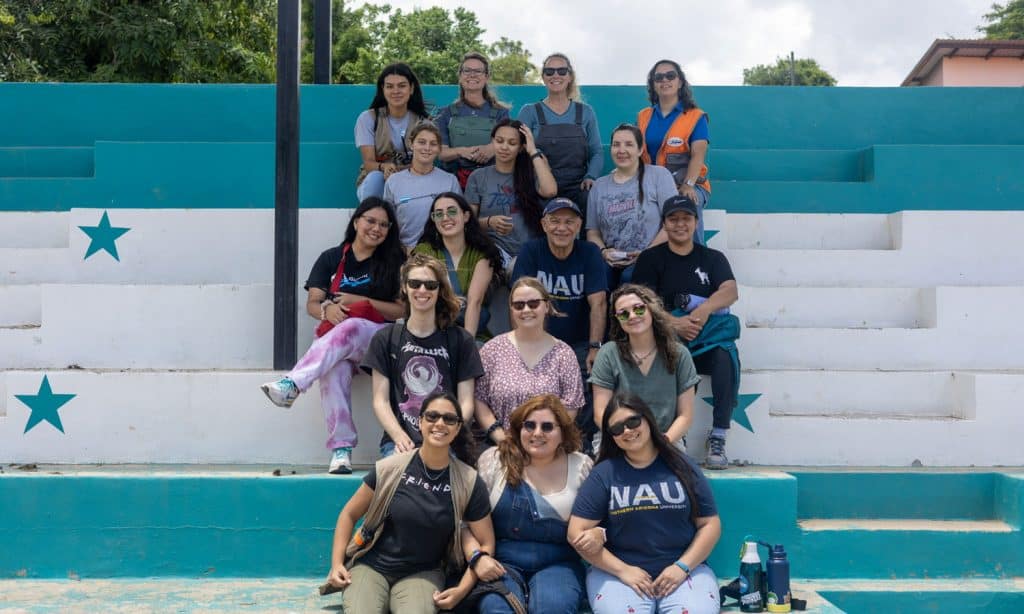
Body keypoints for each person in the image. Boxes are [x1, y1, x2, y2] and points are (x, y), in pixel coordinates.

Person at [260, 198, 405, 474]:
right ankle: (341, 449)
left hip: (380, 339)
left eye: (384, 225)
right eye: (370, 221)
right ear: (356, 222)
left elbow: (401, 309)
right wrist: (328, 311)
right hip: (342, 344)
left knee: (352, 326)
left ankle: (293, 384)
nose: (376, 228)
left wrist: (361, 301)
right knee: (333, 369)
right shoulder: (332, 257)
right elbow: (313, 304)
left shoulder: (394, 261)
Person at [326, 391, 494, 614]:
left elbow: (487, 544)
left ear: (457, 428)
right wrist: (337, 564)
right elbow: (349, 514)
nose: (440, 423)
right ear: (420, 421)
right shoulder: (390, 468)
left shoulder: (469, 481)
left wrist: (461, 591)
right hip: (371, 567)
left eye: (449, 419)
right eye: (432, 416)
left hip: (423, 573)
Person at [568, 393, 722, 614]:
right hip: (620, 574)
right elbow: (575, 533)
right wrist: (623, 571)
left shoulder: (682, 465)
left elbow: (710, 524)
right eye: (617, 429)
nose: (627, 431)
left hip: (684, 570)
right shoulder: (605, 473)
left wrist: (682, 567)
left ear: (648, 419)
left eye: (633, 421)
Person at [633, 194, 741, 470]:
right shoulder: (651, 258)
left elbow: (730, 291)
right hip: (667, 339)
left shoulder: (712, 257)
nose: (680, 224)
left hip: (705, 339)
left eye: (686, 218)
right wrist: (673, 323)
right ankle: (672, 437)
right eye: (673, 219)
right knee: (671, 356)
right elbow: (639, 302)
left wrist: (703, 311)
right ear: (664, 223)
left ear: (695, 222)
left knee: (725, 356)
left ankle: (718, 435)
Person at [462, 395, 595, 613]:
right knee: (496, 609)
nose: (537, 433)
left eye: (548, 427)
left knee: (553, 608)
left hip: (559, 564)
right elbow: (465, 523)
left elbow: (599, 521)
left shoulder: (581, 465)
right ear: (518, 429)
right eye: (530, 425)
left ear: (563, 432)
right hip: (501, 563)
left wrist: (597, 534)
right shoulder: (494, 460)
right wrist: (477, 558)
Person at [362, 253, 485, 458]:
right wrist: (398, 436)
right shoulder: (385, 338)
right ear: (404, 287)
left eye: (430, 285)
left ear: (440, 290)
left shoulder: (461, 340)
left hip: (448, 442)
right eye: (415, 283)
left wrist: (446, 435)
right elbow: (380, 401)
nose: (422, 290)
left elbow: (466, 403)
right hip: (400, 443)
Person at [511, 197, 607, 448]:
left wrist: (595, 345)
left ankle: (580, 443)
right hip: (541, 340)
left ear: (578, 226)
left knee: (590, 378)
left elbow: (598, 302)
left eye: (569, 222)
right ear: (543, 224)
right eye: (555, 221)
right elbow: (521, 300)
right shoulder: (532, 251)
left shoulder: (589, 252)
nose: (561, 228)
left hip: (579, 341)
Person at [590, 283, 700, 454]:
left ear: (651, 310)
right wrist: (628, 439)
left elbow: (685, 416)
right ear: (617, 320)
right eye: (623, 313)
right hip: (618, 436)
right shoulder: (608, 353)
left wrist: (662, 442)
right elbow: (600, 413)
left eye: (639, 309)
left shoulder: (680, 354)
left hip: (666, 439)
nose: (632, 316)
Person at [474, 277, 585, 446]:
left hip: (549, 448)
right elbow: (479, 398)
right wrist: (500, 437)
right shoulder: (492, 350)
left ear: (546, 306)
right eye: (519, 305)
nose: (526, 310)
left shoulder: (564, 353)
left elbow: (571, 406)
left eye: (533, 304)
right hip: (503, 446)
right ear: (511, 309)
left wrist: (544, 439)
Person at [586, 123, 677, 288]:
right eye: (616, 145)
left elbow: (672, 223)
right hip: (613, 261)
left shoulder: (658, 176)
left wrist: (645, 254)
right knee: (598, 275)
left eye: (629, 144)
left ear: (640, 150)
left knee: (631, 277)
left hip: (652, 256)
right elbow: (593, 232)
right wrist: (603, 252)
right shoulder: (599, 186)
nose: (621, 150)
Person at [465, 118, 557, 270]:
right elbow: (468, 221)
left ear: (521, 147)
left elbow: (550, 191)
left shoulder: (531, 173)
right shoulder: (478, 176)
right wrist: (489, 222)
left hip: (528, 252)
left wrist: (533, 151)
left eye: (512, 143)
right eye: (499, 141)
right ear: (492, 142)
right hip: (492, 253)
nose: (504, 147)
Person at [518, 53, 603, 215]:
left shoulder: (585, 112)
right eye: (549, 71)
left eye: (562, 71)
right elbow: (521, 149)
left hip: (578, 187)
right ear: (543, 77)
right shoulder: (529, 112)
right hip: (541, 186)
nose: (555, 75)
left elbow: (596, 151)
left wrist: (591, 176)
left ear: (570, 76)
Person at [637, 59, 711, 244]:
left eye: (670, 75)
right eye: (659, 77)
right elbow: (637, 151)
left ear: (680, 82)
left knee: (686, 204)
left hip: (688, 184)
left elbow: (698, 155)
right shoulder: (643, 116)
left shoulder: (696, 116)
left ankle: (697, 262)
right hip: (652, 186)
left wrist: (688, 185)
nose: (665, 80)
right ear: (653, 84)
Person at [412, 192, 502, 340]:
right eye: (439, 214)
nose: (446, 218)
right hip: (430, 328)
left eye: (452, 211)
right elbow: (419, 293)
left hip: (469, 330)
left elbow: (475, 301)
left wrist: (467, 345)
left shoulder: (482, 253)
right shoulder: (425, 251)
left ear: (466, 216)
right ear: (434, 220)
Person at [434, 52, 511, 189]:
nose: (472, 75)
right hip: (455, 183)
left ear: (486, 77)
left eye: (478, 71)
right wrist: (462, 151)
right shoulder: (445, 114)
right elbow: (441, 153)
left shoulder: (501, 113)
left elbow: (511, 144)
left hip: (493, 183)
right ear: (460, 76)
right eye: (467, 70)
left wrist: (491, 148)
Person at [355, 62, 429, 201]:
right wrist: (384, 167)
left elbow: (425, 164)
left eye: (402, 86)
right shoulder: (368, 119)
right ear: (383, 89)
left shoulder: (423, 123)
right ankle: (372, 216)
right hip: (377, 180)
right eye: (390, 86)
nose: (396, 91)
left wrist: (398, 172)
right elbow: (369, 163)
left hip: (411, 178)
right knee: (375, 178)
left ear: (411, 88)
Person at [383, 121, 461, 250]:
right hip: (404, 253)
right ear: (411, 144)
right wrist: (402, 250)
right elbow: (388, 223)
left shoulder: (450, 181)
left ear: (439, 149)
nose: (427, 148)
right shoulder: (393, 182)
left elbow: (458, 220)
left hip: (441, 252)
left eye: (433, 144)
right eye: (422, 142)